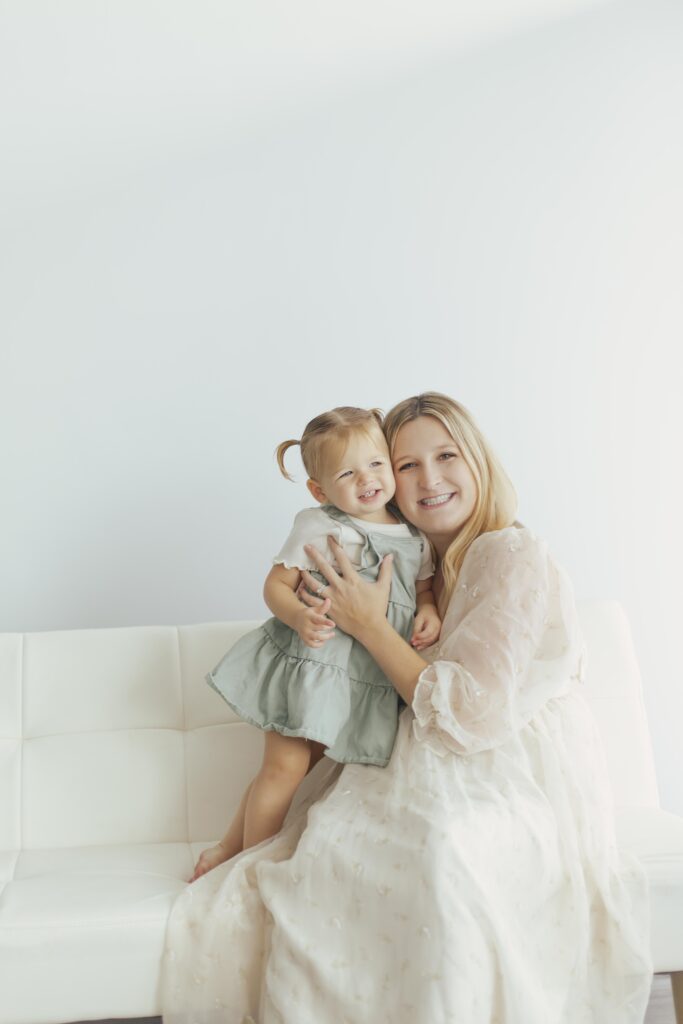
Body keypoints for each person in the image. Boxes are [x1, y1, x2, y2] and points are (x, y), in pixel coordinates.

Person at [161, 392, 652, 1024]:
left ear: (477, 460)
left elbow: (471, 715)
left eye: (446, 456)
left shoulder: (509, 552)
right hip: (412, 734)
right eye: (407, 464)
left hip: (498, 754)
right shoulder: (409, 552)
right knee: (334, 843)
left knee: (440, 847)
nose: (428, 479)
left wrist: (370, 626)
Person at [191, 405, 440, 883]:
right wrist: (300, 616)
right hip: (310, 662)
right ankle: (247, 869)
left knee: (298, 771)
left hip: (360, 676)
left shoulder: (413, 534)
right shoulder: (322, 525)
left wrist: (427, 609)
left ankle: (226, 846)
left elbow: (423, 586)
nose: (366, 479)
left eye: (375, 464)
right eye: (348, 473)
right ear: (320, 489)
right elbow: (275, 587)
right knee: (283, 768)